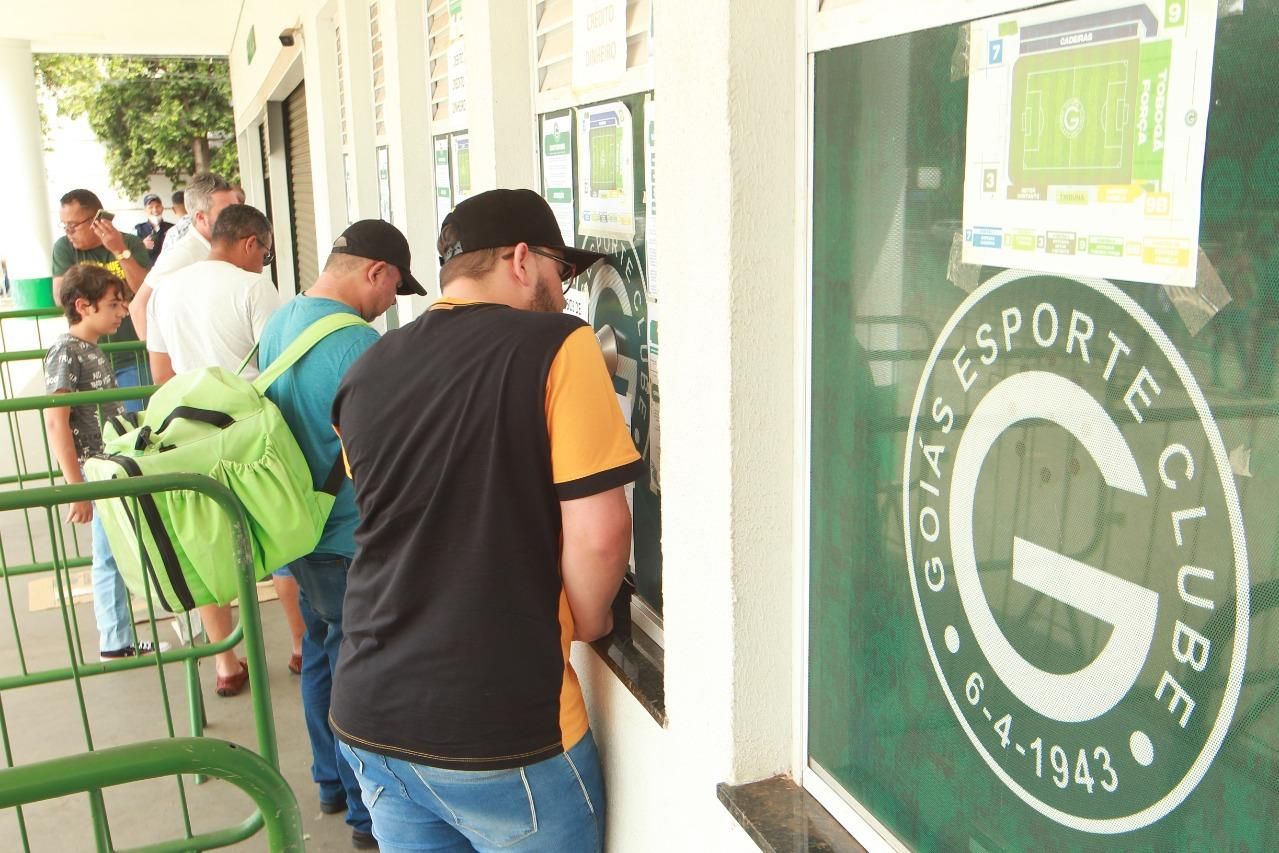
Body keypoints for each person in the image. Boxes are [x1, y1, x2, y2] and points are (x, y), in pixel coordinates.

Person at [330, 189, 641, 852]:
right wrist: (590, 620)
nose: (564, 291)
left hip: (370, 715)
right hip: (502, 729)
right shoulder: (558, 345)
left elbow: (400, 522)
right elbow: (600, 531)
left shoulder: (366, 368)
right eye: (562, 271)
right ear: (522, 261)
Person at [258, 220, 424, 850]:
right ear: (375, 272)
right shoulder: (356, 343)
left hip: (298, 531)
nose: (390, 307)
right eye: (393, 291)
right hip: (352, 538)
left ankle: (330, 782)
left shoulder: (283, 319)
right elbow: (391, 451)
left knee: (323, 654)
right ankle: (366, 814)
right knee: (367, 672)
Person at [148, 203, 281, 696]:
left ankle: (225, 664)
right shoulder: (252, 287)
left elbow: (161, 375)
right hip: (251, 435)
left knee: (207, 548)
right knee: (283, 536)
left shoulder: (167, 290)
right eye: (264, 253)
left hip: (190, 437)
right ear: (249, 243)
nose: (263, 262)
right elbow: (277, 363)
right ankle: (300, 646)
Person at [44, 265, 169, 660]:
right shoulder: (66, 351)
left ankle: (118, 637)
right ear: (83, 306)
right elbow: (55, 419)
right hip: (92, 469)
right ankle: (115, 640)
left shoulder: (89, 348)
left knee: (115, 549)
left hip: (105, 464)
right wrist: (76, 487)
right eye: (114, 304)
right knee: (110, 553)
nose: (122, 311)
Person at [51, 189, 152, 412]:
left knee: (139, 425)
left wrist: (119, 251)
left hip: (132, 356)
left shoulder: (130, 243)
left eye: (73, 225)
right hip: (87, 359)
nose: (68, 232)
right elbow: (61, 297)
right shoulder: (63, 248)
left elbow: (142, 288)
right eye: (64, 225)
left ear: (97, 219)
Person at [130, 173, 238, 340]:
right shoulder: (183, 253)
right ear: (201, 218)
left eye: (237, 210)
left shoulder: (219, 246)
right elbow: (138, 306)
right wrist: (159, 361)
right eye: (226, 213)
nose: (238, 218)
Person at [134, 193, 173, 261]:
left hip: (169, 267)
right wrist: (142, 246)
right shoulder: (138, 229)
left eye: (157, 206)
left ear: (162, 208)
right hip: (148, 269)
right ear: (145, 210)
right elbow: (130, 252)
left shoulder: (172, 228)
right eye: (150, 207)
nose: (155, 210)